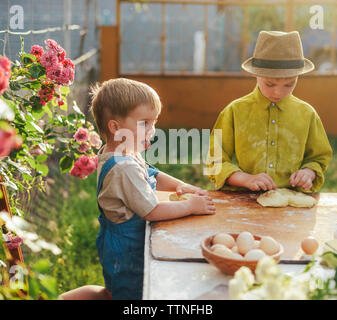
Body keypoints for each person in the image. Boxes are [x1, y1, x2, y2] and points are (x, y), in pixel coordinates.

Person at [90, 78, 216, 300]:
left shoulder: (124, 151)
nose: (152, 130)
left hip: (124, 241)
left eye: (154, 122)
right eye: (144, 123)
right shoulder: (123, 168)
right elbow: (152, 211)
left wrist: (180, 185)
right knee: (131, 293)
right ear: (115, 127)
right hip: (126, 252)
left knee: (120, 290)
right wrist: (190, 206)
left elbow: (151, 173)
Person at [206, 30, 332, 193]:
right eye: (270, 84)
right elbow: (214, 162)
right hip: (244, 202)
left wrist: (308, 173)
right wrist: (246, 179)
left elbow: (319, 158)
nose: (278, 93)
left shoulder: (307, 114)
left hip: (292, 204)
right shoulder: (234, 111)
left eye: (289, 85)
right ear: (255, 73)